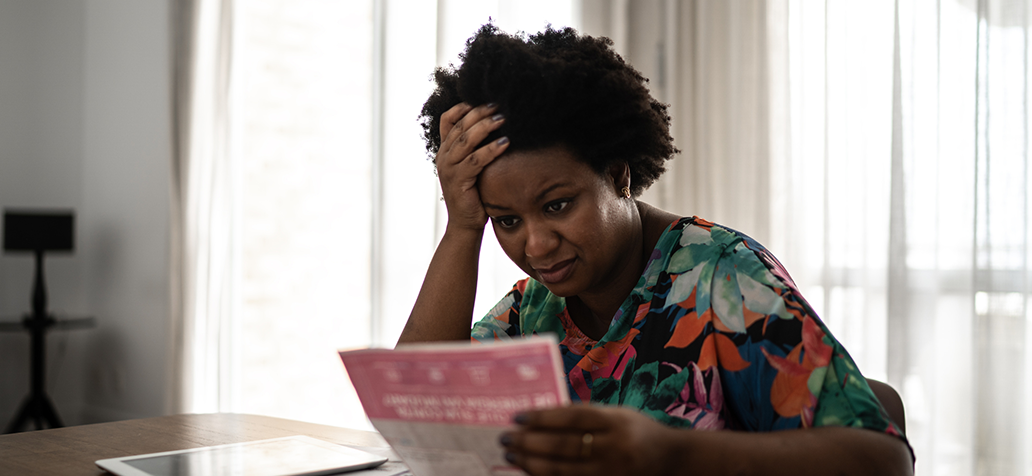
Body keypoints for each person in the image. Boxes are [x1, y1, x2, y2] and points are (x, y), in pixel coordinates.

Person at [398, 24, 913, 476]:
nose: (535, 244)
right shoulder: (534, 309)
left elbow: (884, 461)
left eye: (557, 206)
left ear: (618, 175)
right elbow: (414, 419)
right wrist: (463, 227)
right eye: (506, 221)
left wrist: (673, 456)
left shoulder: (722, 279)